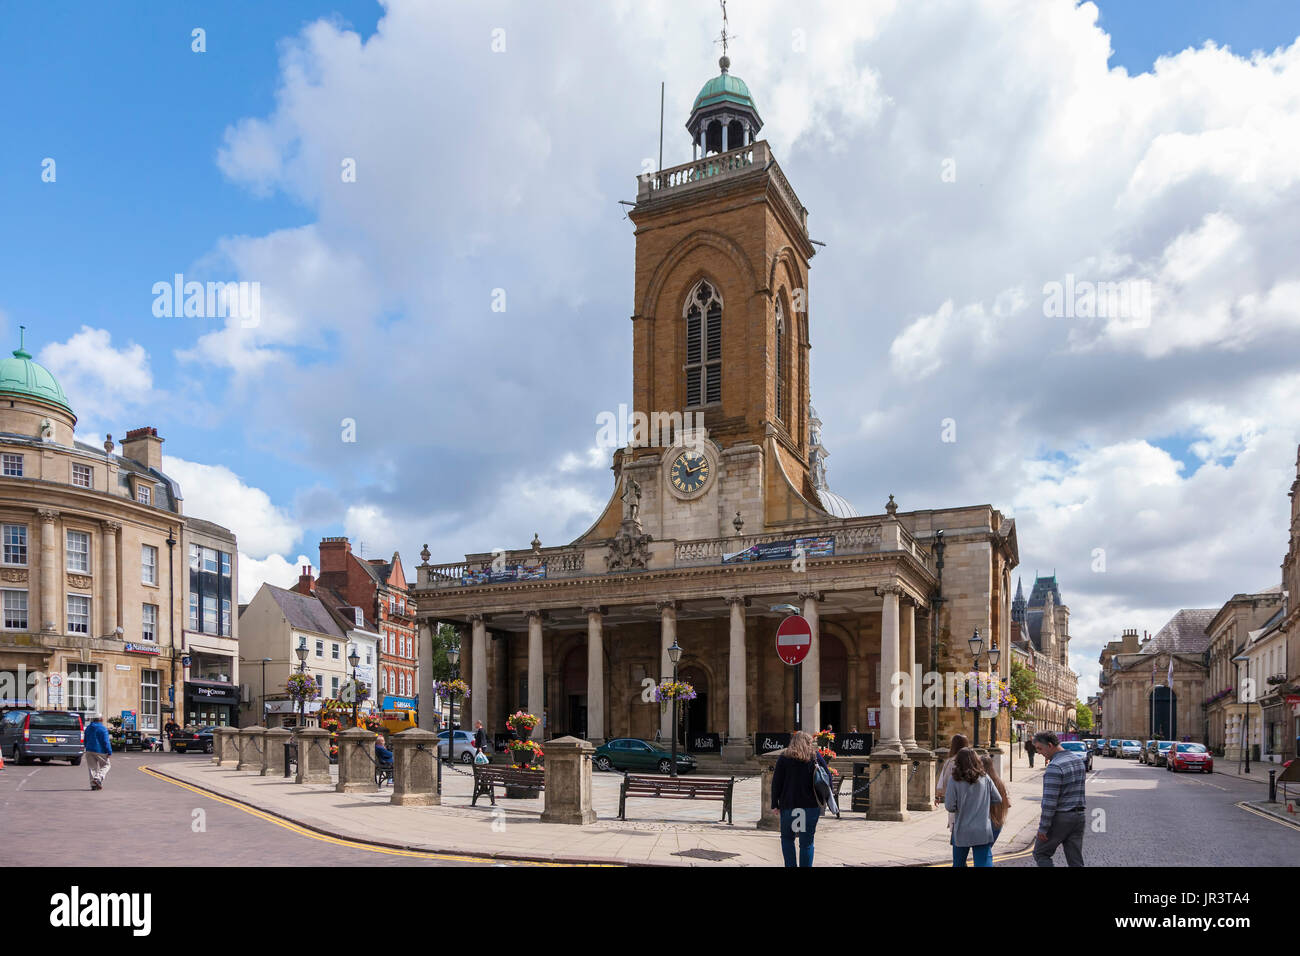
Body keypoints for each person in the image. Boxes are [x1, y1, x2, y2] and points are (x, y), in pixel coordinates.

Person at [770, 730, 830, 867]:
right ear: (809, 743)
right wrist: (825, 798)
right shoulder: (815, 757)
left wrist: (775, 803)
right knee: (806, 842)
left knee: (787, 839)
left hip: (789, 806)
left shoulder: (784, 757)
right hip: (810, 806)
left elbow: (776, 783)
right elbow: (827, 777)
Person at [1032, 731, 1087, 867]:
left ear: (1050, 745)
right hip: (1079, 816)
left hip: (1060, 818)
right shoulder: (1078, 761)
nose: (1039, 753)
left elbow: (1049, 802)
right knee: (1075, 860)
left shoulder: (1054, 766)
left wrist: (1043, 827)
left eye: (1040, 748)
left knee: (1041, 853)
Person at [945, 747, 1002, 866]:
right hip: (982, 829)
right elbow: (998, 798)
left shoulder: (954, 780)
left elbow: (950, 806)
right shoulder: (985, 777)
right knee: (983, 863)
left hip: (962, 829)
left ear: (958, 762)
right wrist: (982, 802)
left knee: (959, 864)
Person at [981, 753, 1010, 845]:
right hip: (998, 821)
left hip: (985, 822)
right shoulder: (999, 781)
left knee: (983, 853)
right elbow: (1007, 803)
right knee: (986, 852)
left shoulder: (982, 782)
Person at [84, 715, 112, 791]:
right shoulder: (103, 728)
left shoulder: (88, 728)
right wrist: (109, 751)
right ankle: (98, 778)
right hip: (100, 750)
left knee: (92, 768)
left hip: (89, 750)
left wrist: (86, 747)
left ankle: (93, 785)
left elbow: (85, 739)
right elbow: (106, 741)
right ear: (101, 719)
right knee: (106, 765)